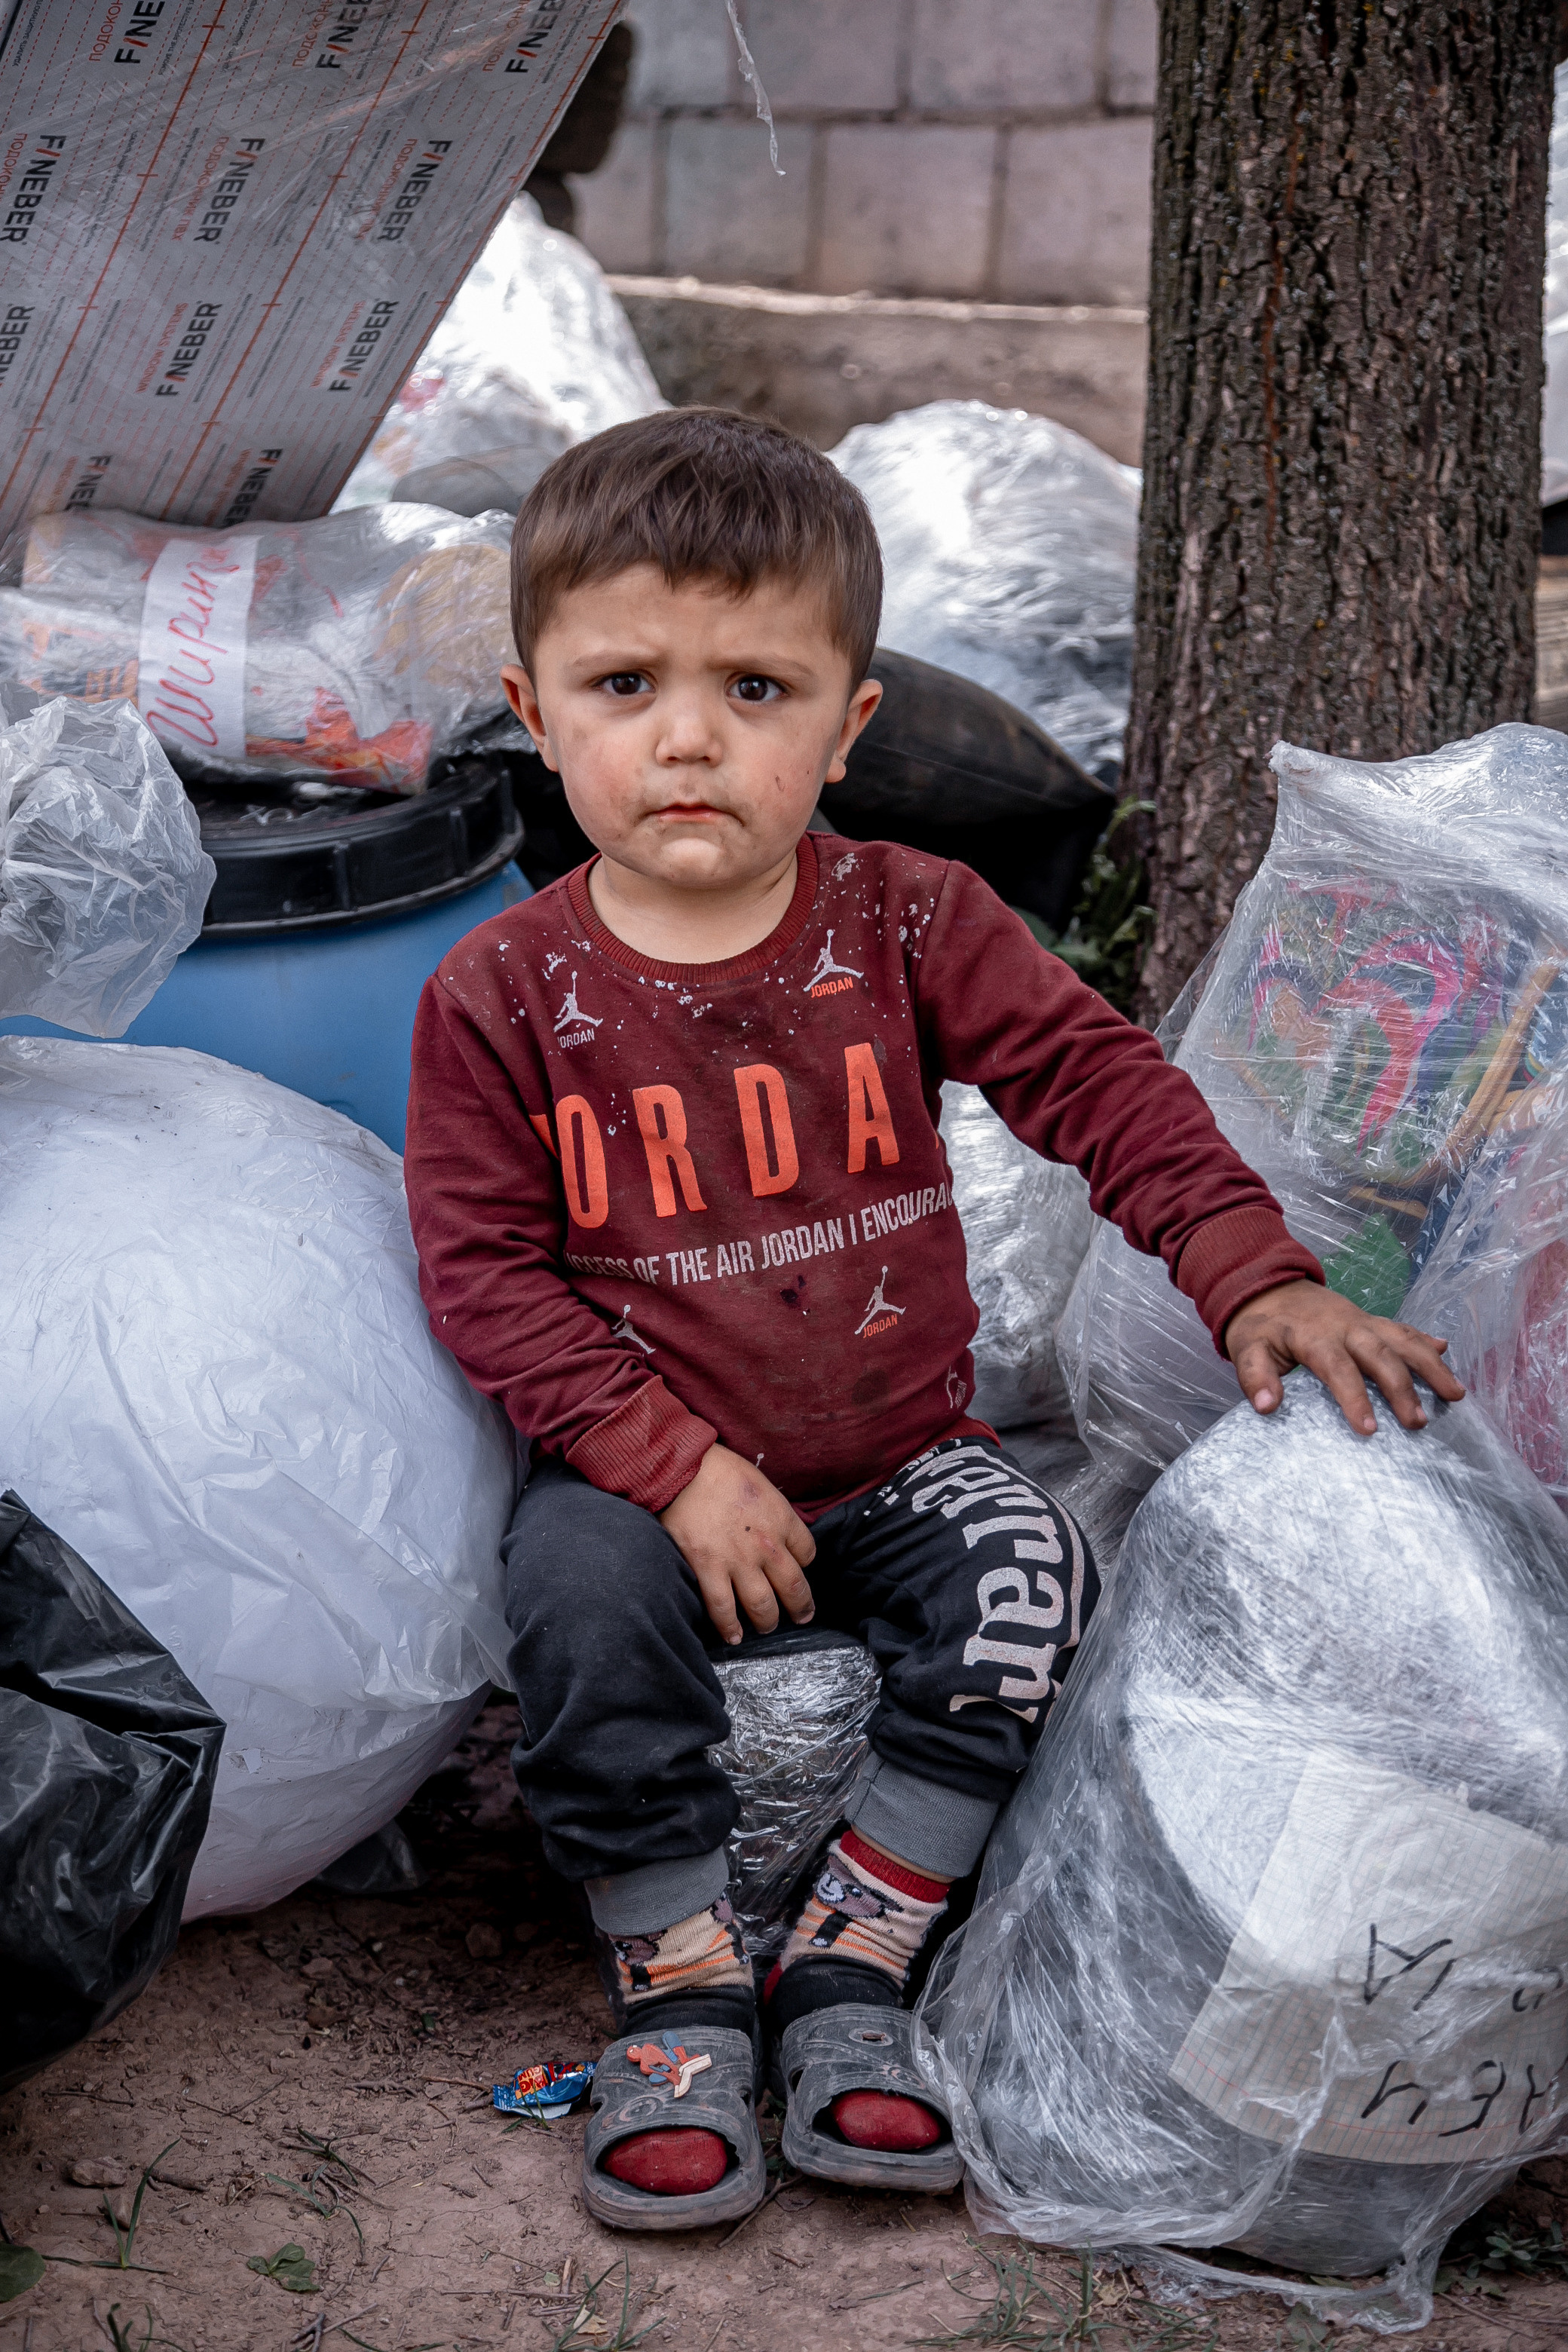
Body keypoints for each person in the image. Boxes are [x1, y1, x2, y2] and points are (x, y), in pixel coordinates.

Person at [403, 408, 1463, 2228]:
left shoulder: (906, 920)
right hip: (645, 1481)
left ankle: (851, 1968)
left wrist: (1249, 1268)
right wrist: (669, 1471)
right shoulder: (502, 991)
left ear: (848, 723)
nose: (683, 737)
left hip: (897, 1454)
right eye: (624, 681)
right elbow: (485, 1278)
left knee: (1033, 1569)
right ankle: (674, 1985)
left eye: (754, 688)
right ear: (533, 705)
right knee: (572, 1609)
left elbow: (1094, 1078)